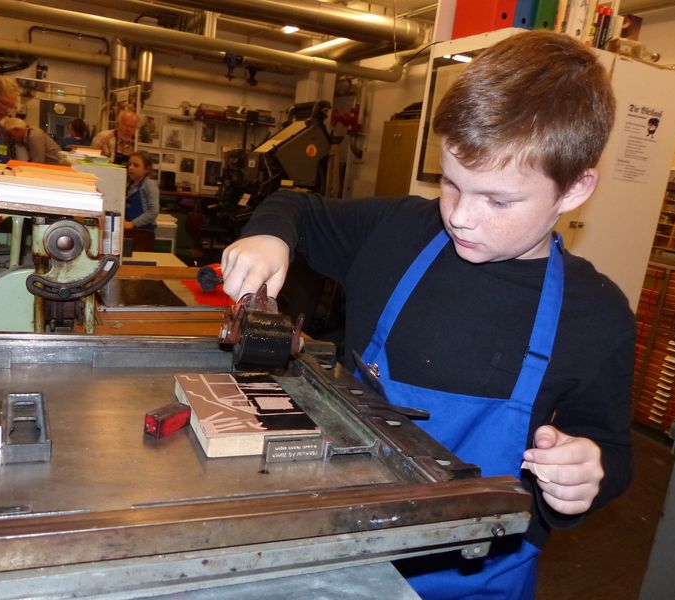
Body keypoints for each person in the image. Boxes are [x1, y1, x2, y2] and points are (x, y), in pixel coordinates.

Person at [220, 30, 635, 600]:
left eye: (498, 200)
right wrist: (269, 236)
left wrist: (584, 478)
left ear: (574, 190)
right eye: (451, 184)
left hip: (478, 577)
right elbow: (297, 207)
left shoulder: (597, 315)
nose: (461, 216)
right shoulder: (400, 235)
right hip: (340, 549)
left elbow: (611, 447)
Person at [3, 117, 68, 165]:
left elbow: (37, 163)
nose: (11, 138)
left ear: (17, 130)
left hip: (58, 169)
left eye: (10, 135)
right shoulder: (30, 135)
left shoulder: (34, 136)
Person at [124, 150, 159, 231]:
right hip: (130, 227)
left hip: (144, 230)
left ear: (147, 169)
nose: (130, 167)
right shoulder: (129, 184)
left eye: (136, 165)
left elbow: (153, 211)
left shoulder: (149, 185)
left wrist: (133, 223)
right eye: (129, 164)